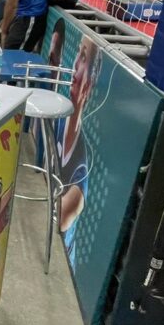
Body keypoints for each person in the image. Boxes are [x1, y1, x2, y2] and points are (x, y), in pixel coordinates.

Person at [57, 35, 101, 245]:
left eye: (83, 57)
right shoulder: (58, 121)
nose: (75, 64)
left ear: (90, 83)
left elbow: (59, 220)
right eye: (78, 53)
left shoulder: (83, 166)